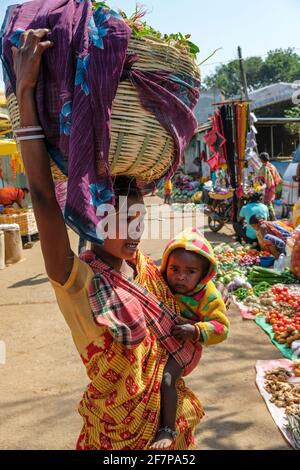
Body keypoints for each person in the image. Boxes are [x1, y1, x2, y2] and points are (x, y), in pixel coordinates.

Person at [12, 28, 204, 451]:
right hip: (118, 437)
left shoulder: (148, 271)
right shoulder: (76, 279)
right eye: (122, 220)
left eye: (140, 219)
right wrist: (26, 91)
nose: (136, 231)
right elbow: (43, 194)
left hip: (172, 432)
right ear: (95, 218)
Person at [150, 228, 229, 450]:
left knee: (167, 378)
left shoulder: (208, 295)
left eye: (190, 271)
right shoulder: (161, 281)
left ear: (204, 274)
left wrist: (195, 331)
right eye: (174, 268)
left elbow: (222, 328)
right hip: (167, 336)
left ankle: (167, 428)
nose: (180, 276)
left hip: (189, 344)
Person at [258, 152, 282, 221]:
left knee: (268, 204)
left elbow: (261, 180)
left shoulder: (264, 168)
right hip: (272, 188)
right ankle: (272, 219)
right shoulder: (272, 166)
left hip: (266, 188)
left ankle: (273, 219)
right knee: (270, 203)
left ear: (261, 159)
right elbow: (277, 178)